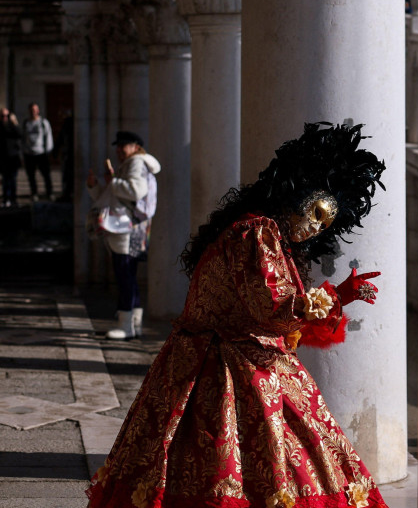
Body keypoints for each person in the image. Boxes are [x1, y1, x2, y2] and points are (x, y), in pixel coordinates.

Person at [87, 122, 387, 508]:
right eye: (315, 211)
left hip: (201, 361)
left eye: (324, 225)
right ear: (293, 193)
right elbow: (273, 309)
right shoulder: (256, 232)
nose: (313, 227)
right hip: (227, 370)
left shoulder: (255, 231)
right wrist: (338, 294)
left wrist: (330, 302)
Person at [86, 130, 160, 341]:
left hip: (126, 228)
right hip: (131, 227)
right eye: (118, 146)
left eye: (124, 145)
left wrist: (113, 181)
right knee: (128, 274)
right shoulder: (132, 163)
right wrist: (96, 185)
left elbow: (135, 191)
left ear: (136, 146)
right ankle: (133, 323)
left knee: (124, 274)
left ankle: (126, 325)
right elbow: (112, 196)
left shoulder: (136, 163)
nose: (119, 150)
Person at [0, 108, 23, 207]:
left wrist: (13, 122)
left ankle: (13, 199)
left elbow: (19, 134)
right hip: (3, 157)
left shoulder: (12, 126)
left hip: (13, 157)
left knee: (13, 179)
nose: (4, 118)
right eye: (2, 116)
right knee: (5, 180)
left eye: (6, 116)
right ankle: (5, 199)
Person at [21, 102, 53, 201]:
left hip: (41, 153)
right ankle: (34, 193)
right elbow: (23, 138)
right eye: (31, 110)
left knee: (46, 175)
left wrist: (47, 150)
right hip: (29, 154)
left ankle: (49, 192)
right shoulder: (26, 123)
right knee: (31, 176)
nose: (33, 112)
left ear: (38, 111)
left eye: (35, 110)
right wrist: (24, 150)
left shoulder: (43, 122)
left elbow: (48, 137)